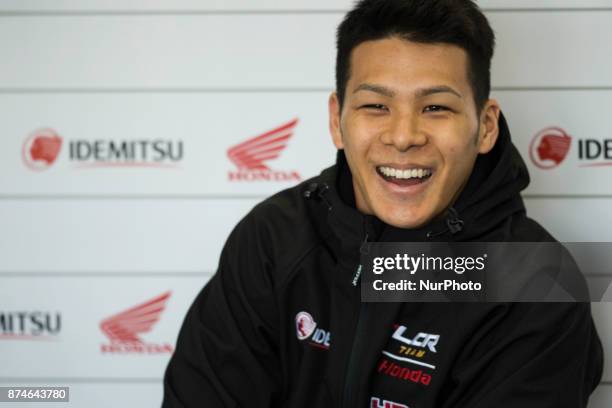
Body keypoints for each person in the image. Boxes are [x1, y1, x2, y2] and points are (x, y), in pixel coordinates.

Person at [162, 0, 603, 406]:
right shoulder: (276, 238)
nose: (403, 136)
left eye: (436, 108)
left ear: (486, 127)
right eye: (375, 105)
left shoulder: (536, 284)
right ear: (337, 120)